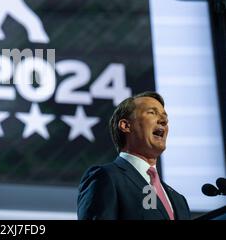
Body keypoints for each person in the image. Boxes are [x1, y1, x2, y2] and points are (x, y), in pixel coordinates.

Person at [77, 91, 191, 220]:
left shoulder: (178, 200)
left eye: (165, 117)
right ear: (125, 125)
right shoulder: (106, 177)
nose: (164, 121)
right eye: (152, 113)